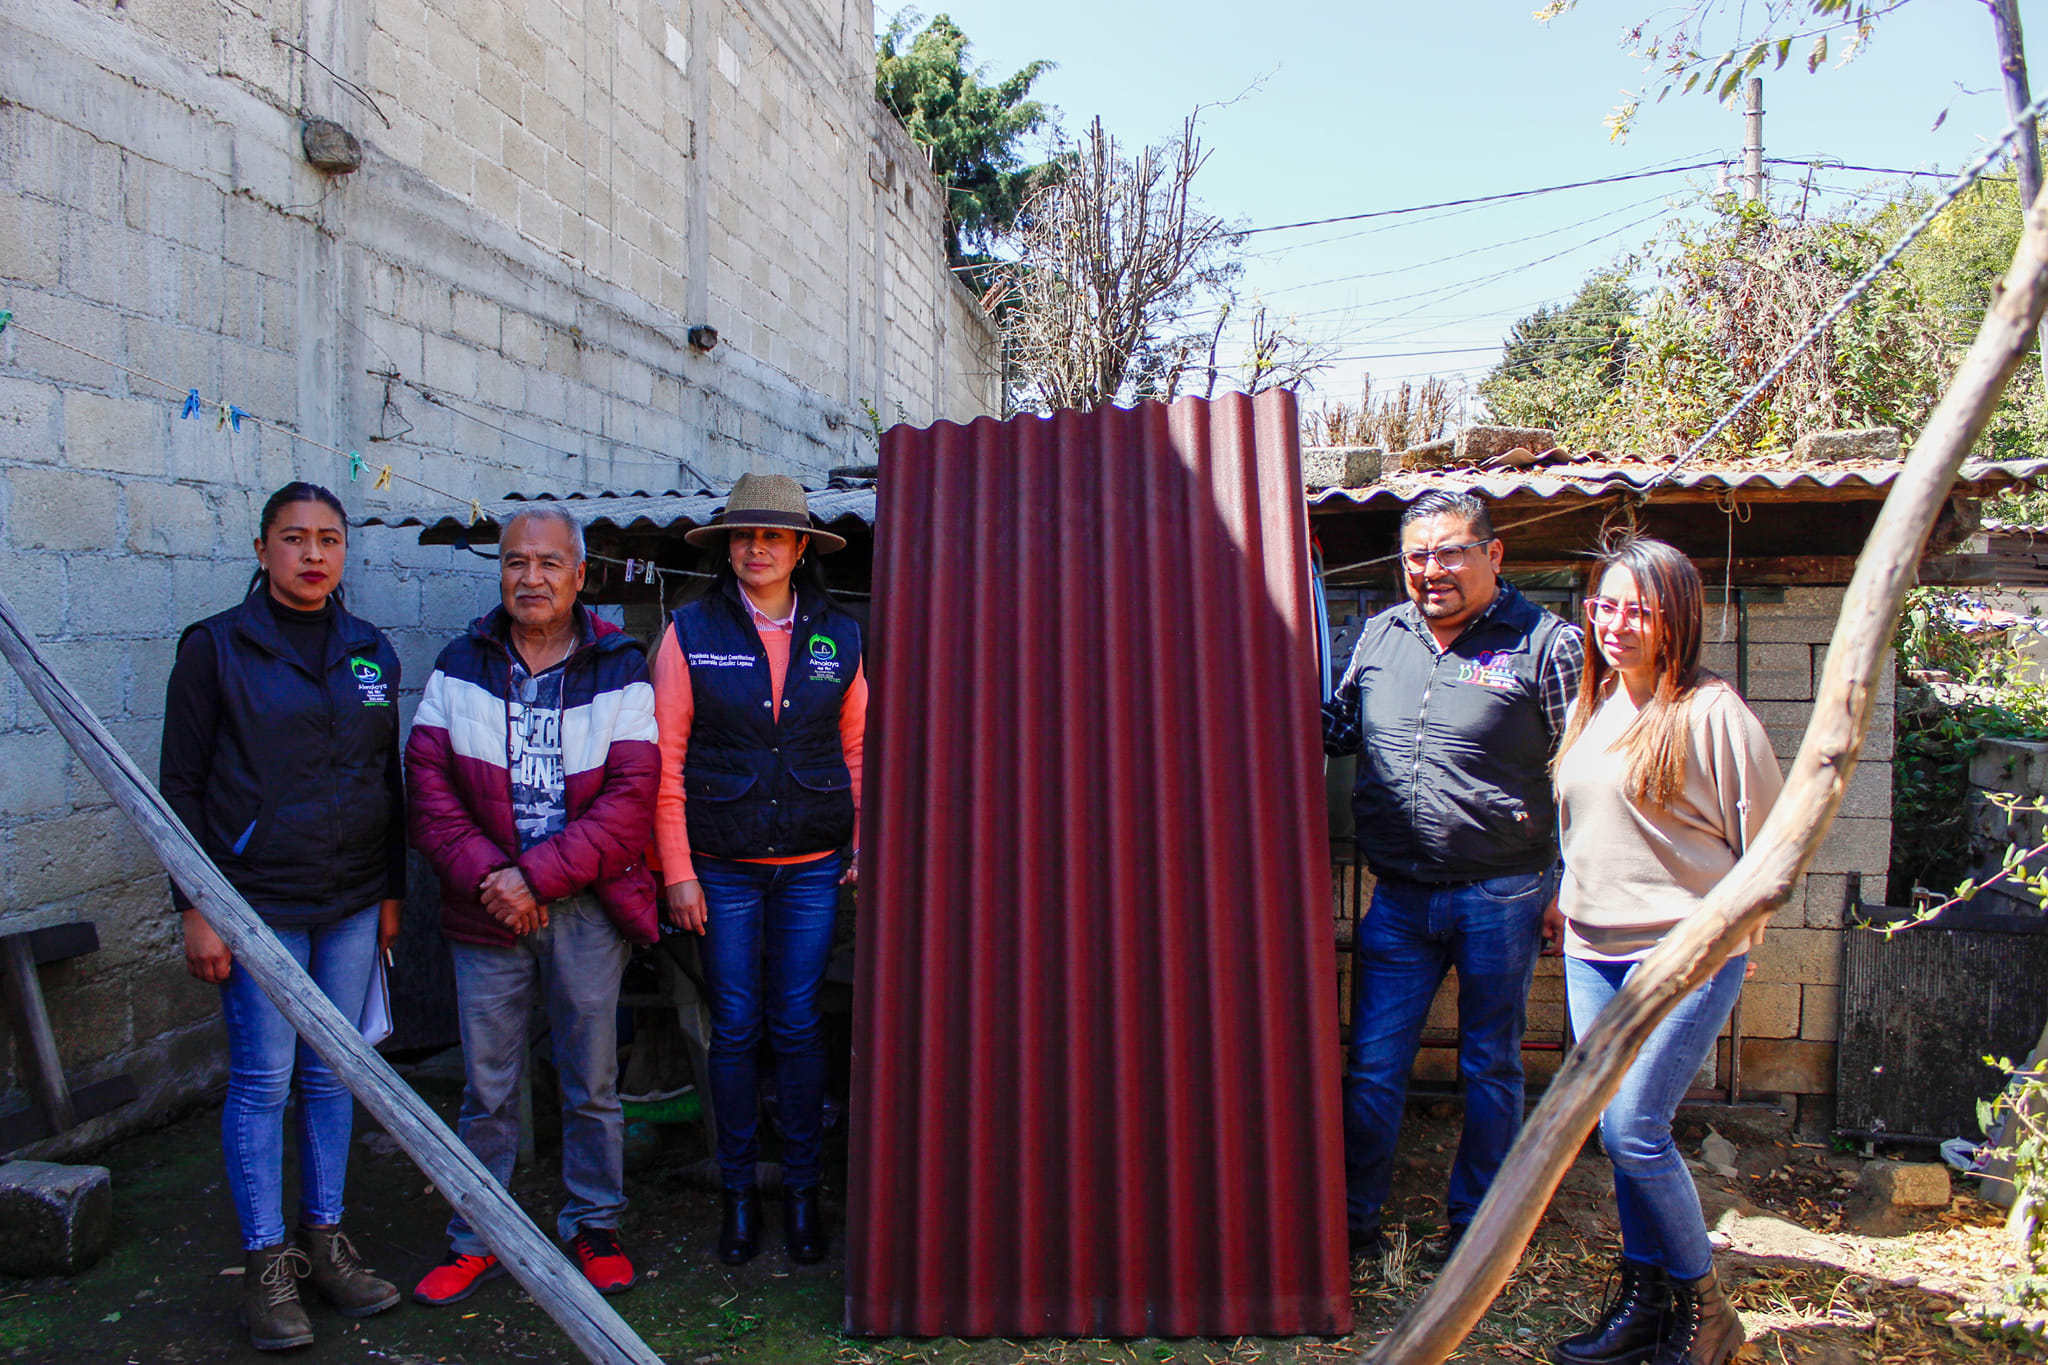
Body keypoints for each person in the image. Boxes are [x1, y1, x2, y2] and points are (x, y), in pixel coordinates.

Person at [161, 481, 405, 1351]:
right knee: (264, 1080)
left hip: (346, 901)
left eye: (329, 539)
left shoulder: (370, 651)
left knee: (333, 1073)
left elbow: (388, 781)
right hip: (253, 901)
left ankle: (326, 1242)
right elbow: (180, 786)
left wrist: (389, 891)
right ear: (262, 548)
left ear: (345, 552)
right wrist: (197, 907)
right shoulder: (216, 649)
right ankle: (267, 1268)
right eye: (294, 538)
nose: (313, 555)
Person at [405, 505, 660, 1304]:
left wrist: (536, 877)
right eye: (517, 562)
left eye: (551, 563)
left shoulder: (620, 664)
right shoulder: (459, 662)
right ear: (501, 572)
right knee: (486, 1083)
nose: (532, 576)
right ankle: (478, 1232)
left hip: (583, 904)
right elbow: (427, 786)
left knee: (589, 1077)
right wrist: (495, 877)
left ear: (580, 575)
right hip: (487, 905)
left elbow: (630, 802)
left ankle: (593, 1220)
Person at [1323, 489, 1583, 1261]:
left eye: (1451, 551)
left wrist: (1570, 882)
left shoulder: (1546, 642)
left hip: (1502, 894)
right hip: (1399, 895)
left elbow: (1587, 770)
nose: (1432, 569)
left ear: (1493, 555)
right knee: (1372, 1064)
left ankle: (1478, 1234)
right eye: (1417, 555)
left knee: (1490, 1067)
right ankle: (1351, 1225)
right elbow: (1338, 729)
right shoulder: (1380, 634)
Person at [1549, 536, 1780, 1365]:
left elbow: (1772, 852)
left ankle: (1706, 1310)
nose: (1616, 622)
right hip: (1591, 954)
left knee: (1634, 1130)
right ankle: (1650, 1305)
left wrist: (1732, 943)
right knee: (1616, 1128)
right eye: (1604, 604)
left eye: (1637, 608)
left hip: (1683, 958)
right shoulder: (1600, 700)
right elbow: (1585, 827)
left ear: (1675, 617)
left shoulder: (1716, 714)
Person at [651, 473, 867, 1266]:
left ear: (800, 547)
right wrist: (676, 868)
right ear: (727, 547)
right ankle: (741, 1195)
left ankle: (804, 1192)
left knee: (799, 1022)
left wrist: (863, 836)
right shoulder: (689, 630)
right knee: (737, 1025)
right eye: (743, 536)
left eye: (771, 536)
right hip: (722, 866)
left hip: (811, 865)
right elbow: (663, 761)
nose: (755, 548)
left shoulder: (836, 635)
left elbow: (858, 748)